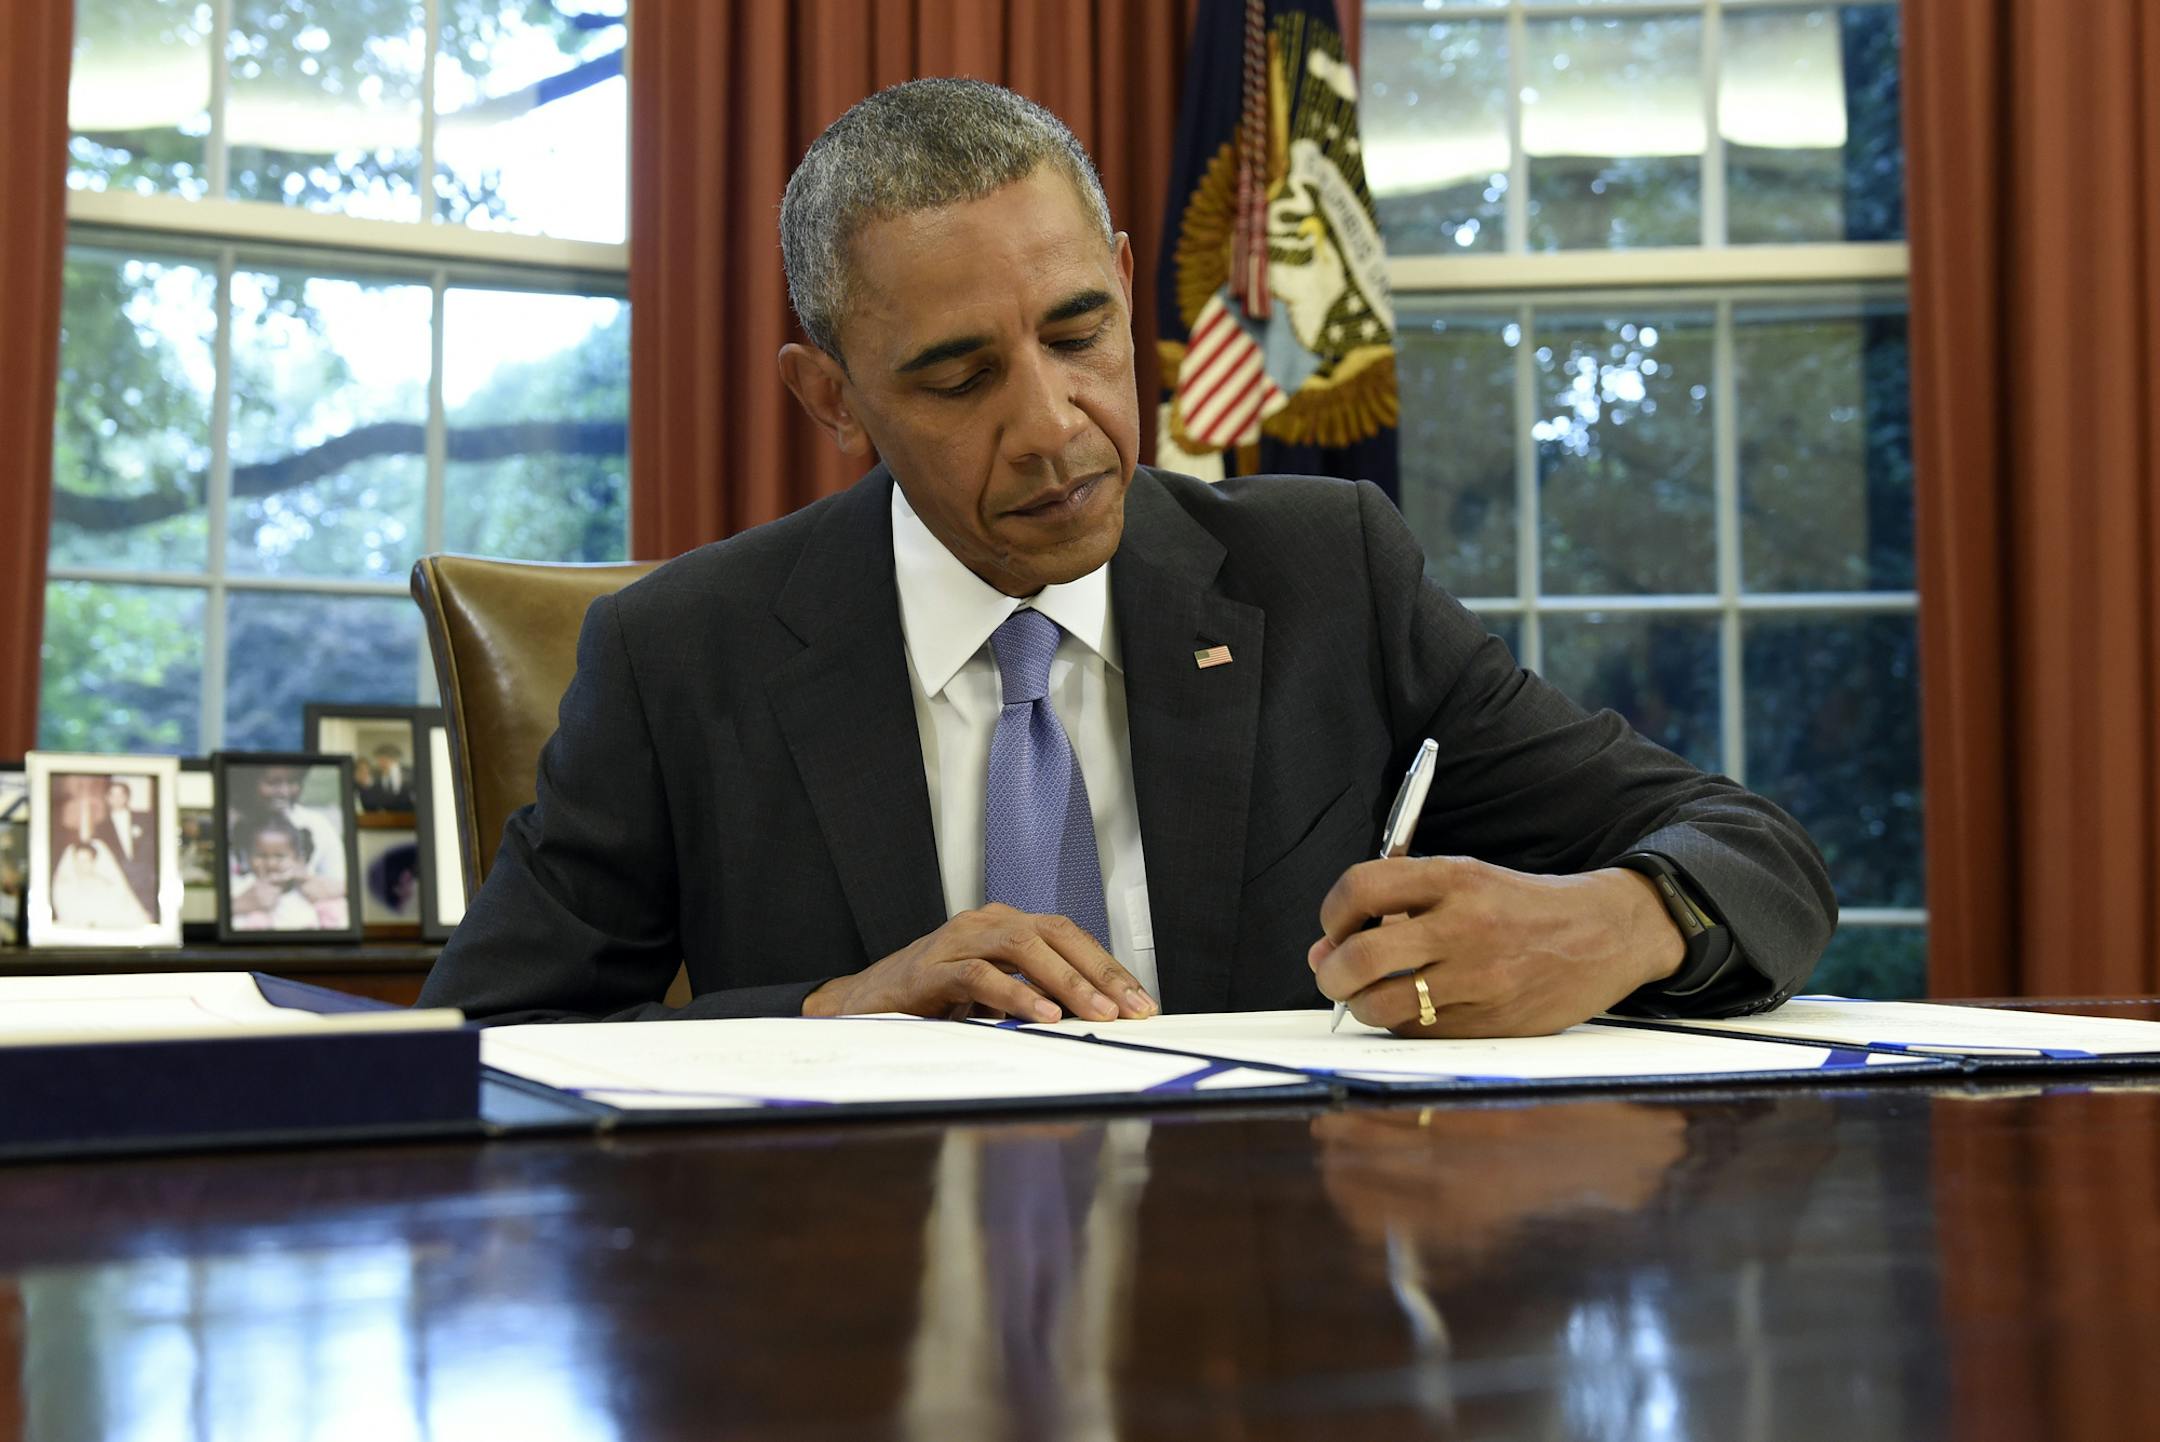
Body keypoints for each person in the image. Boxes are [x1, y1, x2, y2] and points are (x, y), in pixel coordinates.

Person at [421, 79, 1834, 1033]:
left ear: (1114, 272)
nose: (1054, 427)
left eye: (1081, 332)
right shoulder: (684, 652)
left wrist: (1626, 920)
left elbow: (1758, 851)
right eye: (960, 376)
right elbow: (483, 1040)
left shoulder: (1327, 573)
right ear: (832, 399)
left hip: (1264, 1335)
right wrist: (824, 1017)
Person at [228, 814, 348, 932]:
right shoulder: (242, 889)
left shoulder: (310, 889)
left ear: (298, 858)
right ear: (248, 858)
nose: (271, 863)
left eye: (280, 856)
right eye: (261, 856)